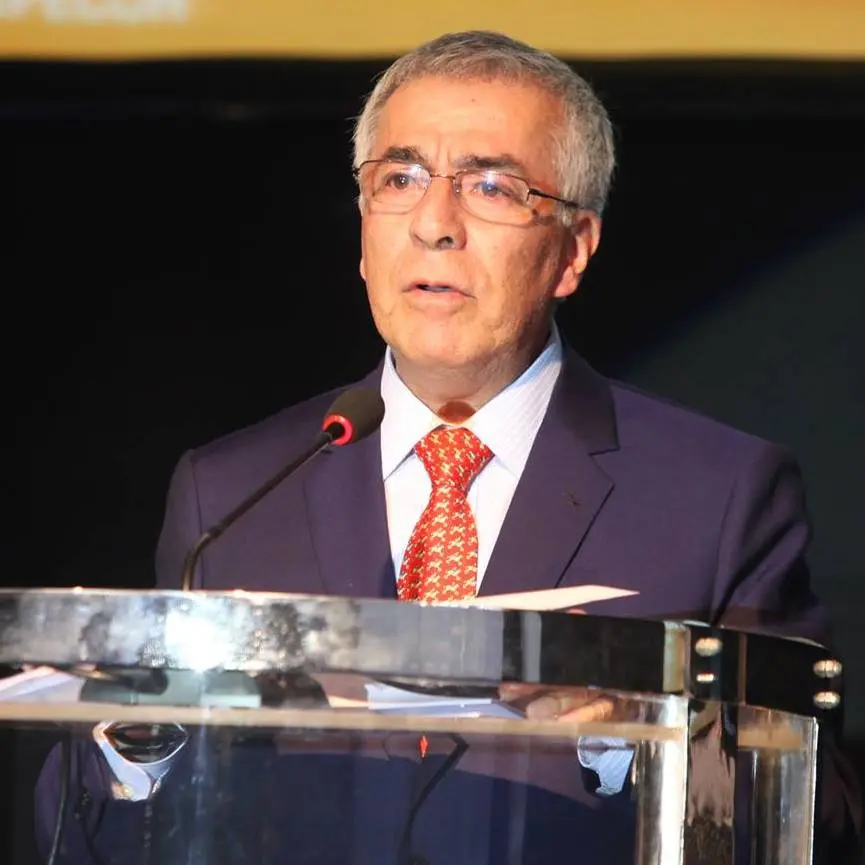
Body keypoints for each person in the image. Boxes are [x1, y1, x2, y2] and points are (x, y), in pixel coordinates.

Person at [36, 29, 860, 865]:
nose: (434, 224)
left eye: (490, 186)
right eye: (399, 180)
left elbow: (818, 825)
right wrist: (138, 735)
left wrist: (628, 732)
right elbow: (86, 829)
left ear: (572, 250)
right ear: (364, 229)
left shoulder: (720, 493)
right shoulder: (231, 494)